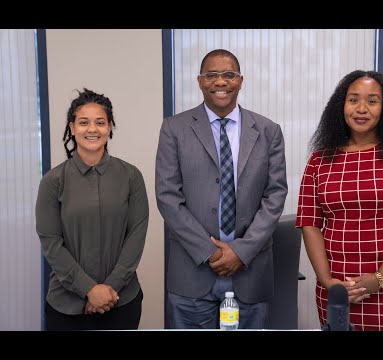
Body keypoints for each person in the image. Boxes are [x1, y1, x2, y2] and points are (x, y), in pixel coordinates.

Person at [156, 49, 288, 329]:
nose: (220, 82)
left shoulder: (268, 131)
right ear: (200, 81)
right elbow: (167, 197)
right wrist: (210, 251)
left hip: (249, 272)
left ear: (240, 81)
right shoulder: (174, 129)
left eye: (228, 75)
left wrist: (241, 252)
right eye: (211, 75)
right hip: (192, 272)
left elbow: (275, 195)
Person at [296, 70, 383, 331]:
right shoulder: (319, 160)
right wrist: (328, 281)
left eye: (372, 101)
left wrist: (380, 278)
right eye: (353, 100)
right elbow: (309, 223)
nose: (361, 108)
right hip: (337, 290)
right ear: (341, 106)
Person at [35, 88, 149, 330]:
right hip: (66, 306)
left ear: (110, 128)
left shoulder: (131, 176)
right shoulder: (53, 181)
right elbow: (51, 243)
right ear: (72, 127)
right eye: (84, 122)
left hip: (122, 301)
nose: (92, 129)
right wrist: (89, 290)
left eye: (100, 122)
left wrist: (109, 290)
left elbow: (136, 237)